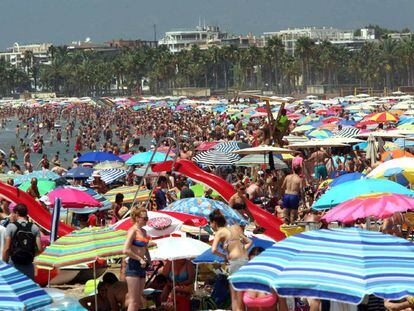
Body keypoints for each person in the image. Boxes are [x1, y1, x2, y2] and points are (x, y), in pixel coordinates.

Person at [210, 209, 252, 311]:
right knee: (243, 292)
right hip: (245, 260)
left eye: (210, 223)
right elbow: (249, 241)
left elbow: (213, 250)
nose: (210, 226)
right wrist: (242, 249)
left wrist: (224, 256)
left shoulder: (220, 232)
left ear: (214, 222)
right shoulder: (234, 229)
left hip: (235, 262)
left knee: (235, 295)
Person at [2, 203, 42, 280]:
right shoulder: (35, 228)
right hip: (28, 264)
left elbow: (6, 248)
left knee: (14, 288)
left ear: (16, 213)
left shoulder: (11, 227)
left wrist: (4, 265)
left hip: (14, 263)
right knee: (28, 289)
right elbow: (39, 249)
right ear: (26, 213)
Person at [123, 207, 152, 311]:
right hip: (133, 265)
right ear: (137, 218)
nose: (146, 220)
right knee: (133, 300)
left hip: (142, 266)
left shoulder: (143, 232)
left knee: (139, 299)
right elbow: (125, 250)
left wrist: (149, 260)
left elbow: (145, 248)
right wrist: (140, 259)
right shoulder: (132, 231)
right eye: (145, 218)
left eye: (147, 218)